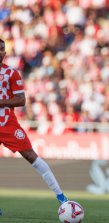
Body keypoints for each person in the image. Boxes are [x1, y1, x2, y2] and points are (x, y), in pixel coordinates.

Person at [0, 38, 68, 205]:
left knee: (31, 156)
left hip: (7, 123)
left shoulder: (11, 73)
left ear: (5, 54)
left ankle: (61, 196)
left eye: (2, 49)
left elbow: (21, 100)